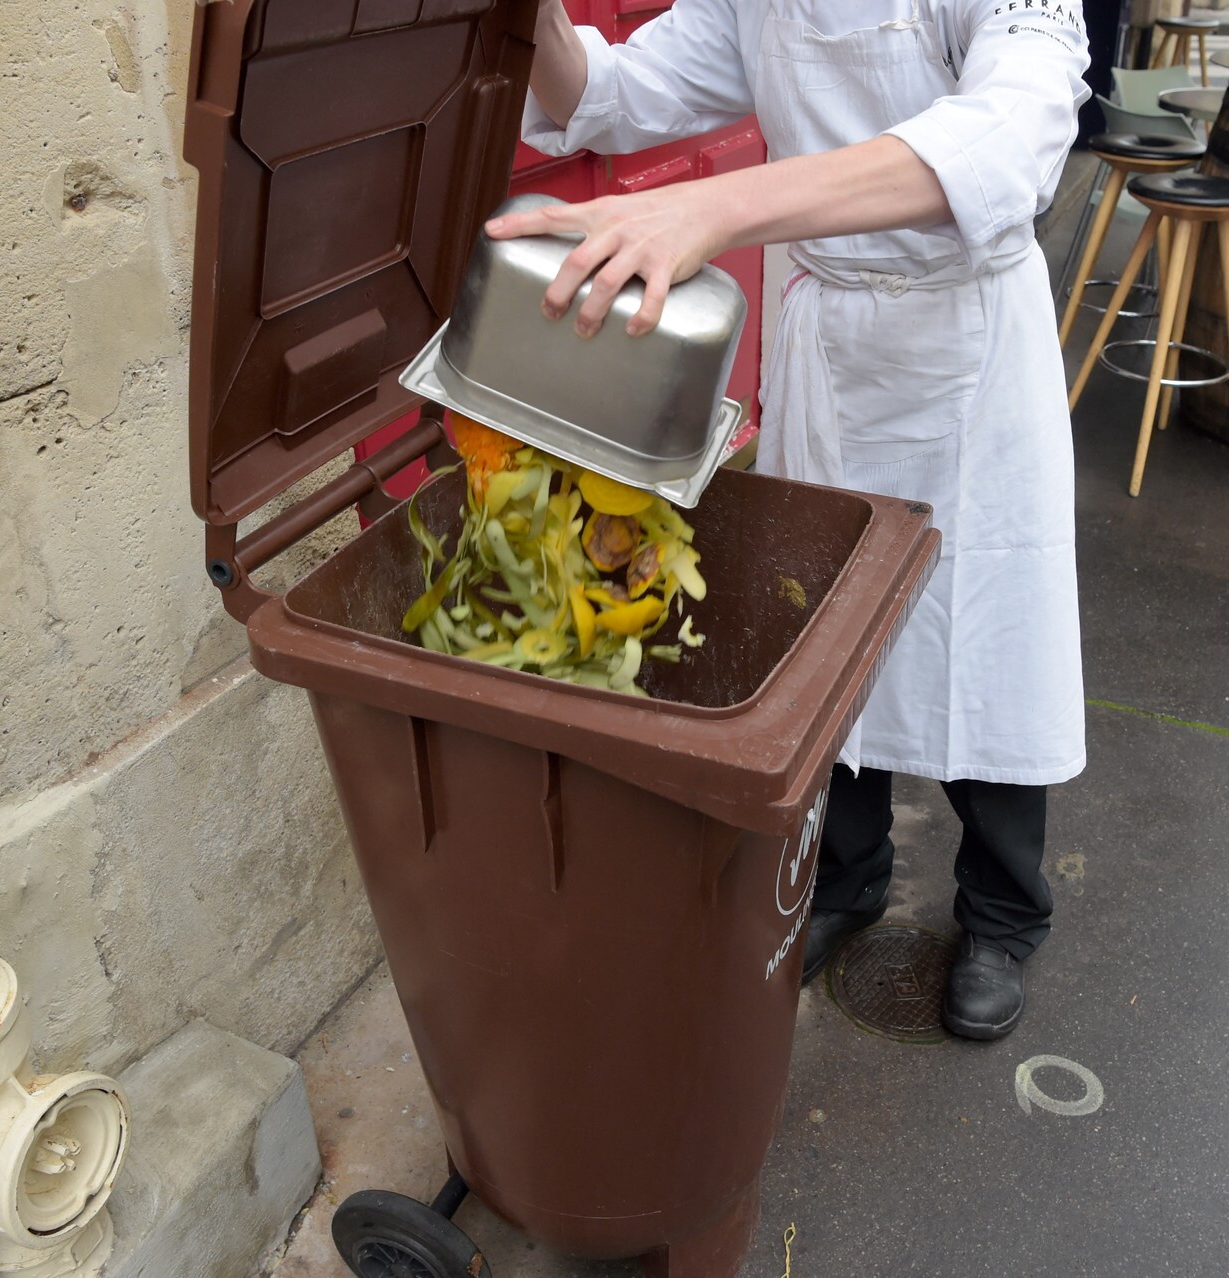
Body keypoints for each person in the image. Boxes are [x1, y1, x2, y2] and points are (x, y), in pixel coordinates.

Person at [498, 0, 1089, 1040]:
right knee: (827, 640)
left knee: (986, 637)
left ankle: (1004, 915)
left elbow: (1012, 130)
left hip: (966, 341)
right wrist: (535, 22)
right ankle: (847, 879)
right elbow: (610, 96)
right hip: (829, 342)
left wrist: (720, 209)